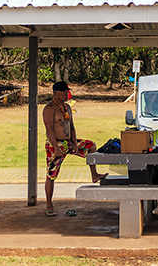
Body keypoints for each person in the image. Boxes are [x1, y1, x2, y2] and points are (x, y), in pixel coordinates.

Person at [42, 80, 107, 216]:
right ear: (56, 92)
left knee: (91, 146)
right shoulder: (49, 108)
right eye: (64, 91)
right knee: (51, 175)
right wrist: (56, 148)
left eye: (68, 91)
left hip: (69, 142)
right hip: (56, 144)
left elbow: (72, 127)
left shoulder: (67, 107)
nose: (67, 94)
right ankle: (49, 203)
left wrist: (75, 143)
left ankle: (94, 175)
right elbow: (49, 130)